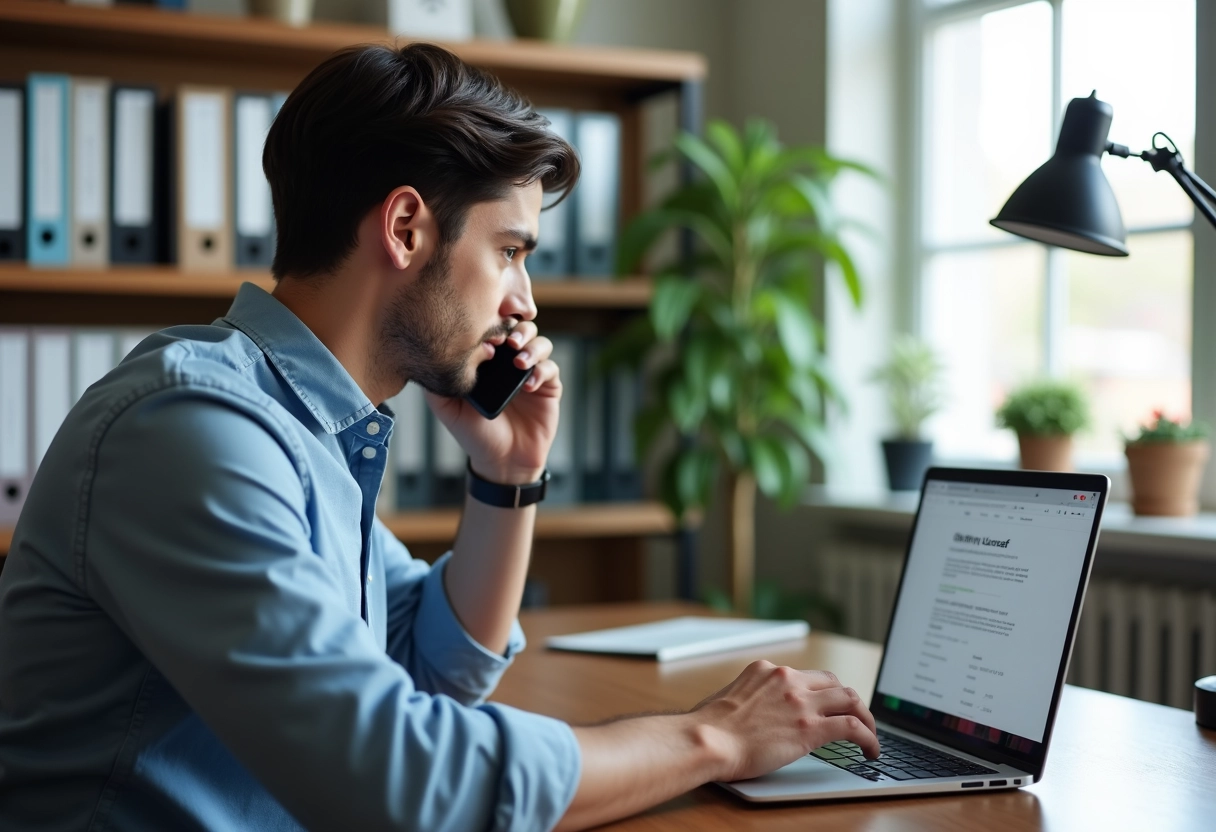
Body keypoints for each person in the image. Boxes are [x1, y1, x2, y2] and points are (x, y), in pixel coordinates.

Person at [0, 43, 879, 832]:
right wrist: (710, 738)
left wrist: (509, 478)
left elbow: (426, 668)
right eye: (510, 251)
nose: (525, 303)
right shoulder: (191, 431)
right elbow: (401, 783)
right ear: (407, 228)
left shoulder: (304, 429)